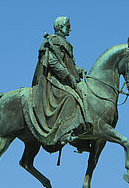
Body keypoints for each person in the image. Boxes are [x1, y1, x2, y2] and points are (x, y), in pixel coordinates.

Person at [31, 16, 91, 147]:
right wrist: (67, 75)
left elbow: (69, 64)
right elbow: (52, 62)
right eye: (67, 26)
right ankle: (65, 133)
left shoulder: (65, 43)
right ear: (60, 27)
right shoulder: (53, 41)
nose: (70, 28)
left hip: (65, 78)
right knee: (70, 97)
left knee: (83, 96)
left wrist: (78, 70)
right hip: (53, 80)